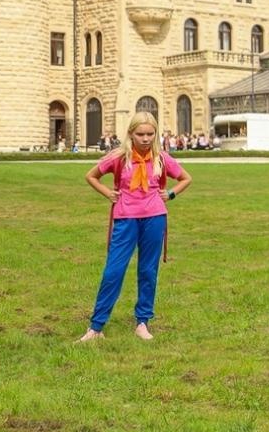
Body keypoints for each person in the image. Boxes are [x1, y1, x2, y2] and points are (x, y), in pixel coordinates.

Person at [81, 112, 192, 341]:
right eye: (140, 134)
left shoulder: (161, 158)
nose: (145, 138)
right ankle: (96, 327)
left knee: (148, 271)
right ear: (131, 134)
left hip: (155, 217)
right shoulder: (118, 157)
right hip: (125, 218)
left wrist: (169, 194)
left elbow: (185, 178)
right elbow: (91, 176)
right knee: (114, 270)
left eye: (150, 134)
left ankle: (142, 322)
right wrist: (108, 194)